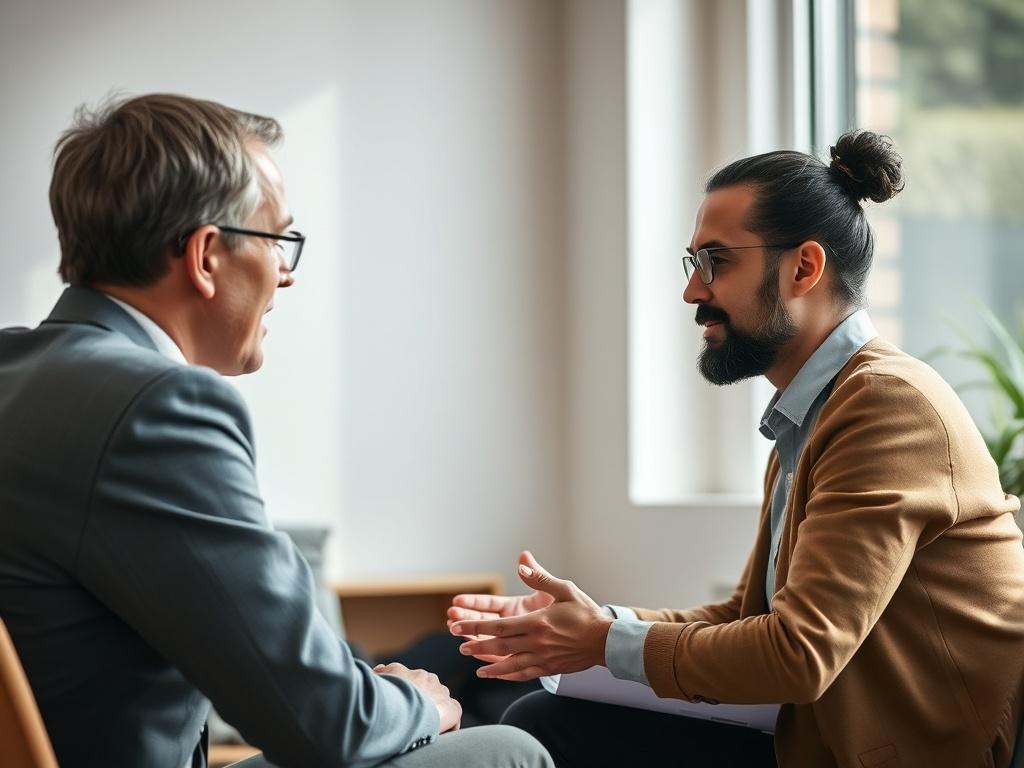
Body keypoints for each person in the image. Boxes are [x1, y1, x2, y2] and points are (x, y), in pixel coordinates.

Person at [0, 93, 551, 768]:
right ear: (205, 257)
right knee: (505, 751)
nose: (286, 274)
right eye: (279, 240)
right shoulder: (158, 407)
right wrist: (420, 703)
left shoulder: (16, 372)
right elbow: (327, 729)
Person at [448, 130, 1024, 767]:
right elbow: (745, 614)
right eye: (694, 263)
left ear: (804, 268)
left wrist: (603, 641)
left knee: (550, 726)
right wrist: (587, 621)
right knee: (547, 717)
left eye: (717, 262)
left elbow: (798, 653)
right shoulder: (813, 414)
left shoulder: (887, 408)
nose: (693, 292)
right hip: (812, 738)